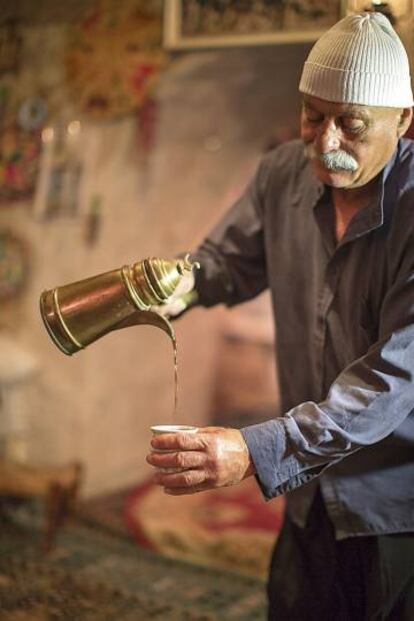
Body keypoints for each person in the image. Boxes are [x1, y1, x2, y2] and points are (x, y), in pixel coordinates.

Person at [146, 12, 414, 620]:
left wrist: (254, 450)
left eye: (351, 125)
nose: (325, 143)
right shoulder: (282, 175)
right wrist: (176, 284)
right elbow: (226, 262)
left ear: (403, 120)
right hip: (307, 495)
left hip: (395, 508)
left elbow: (392, 381)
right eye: (312, 117)